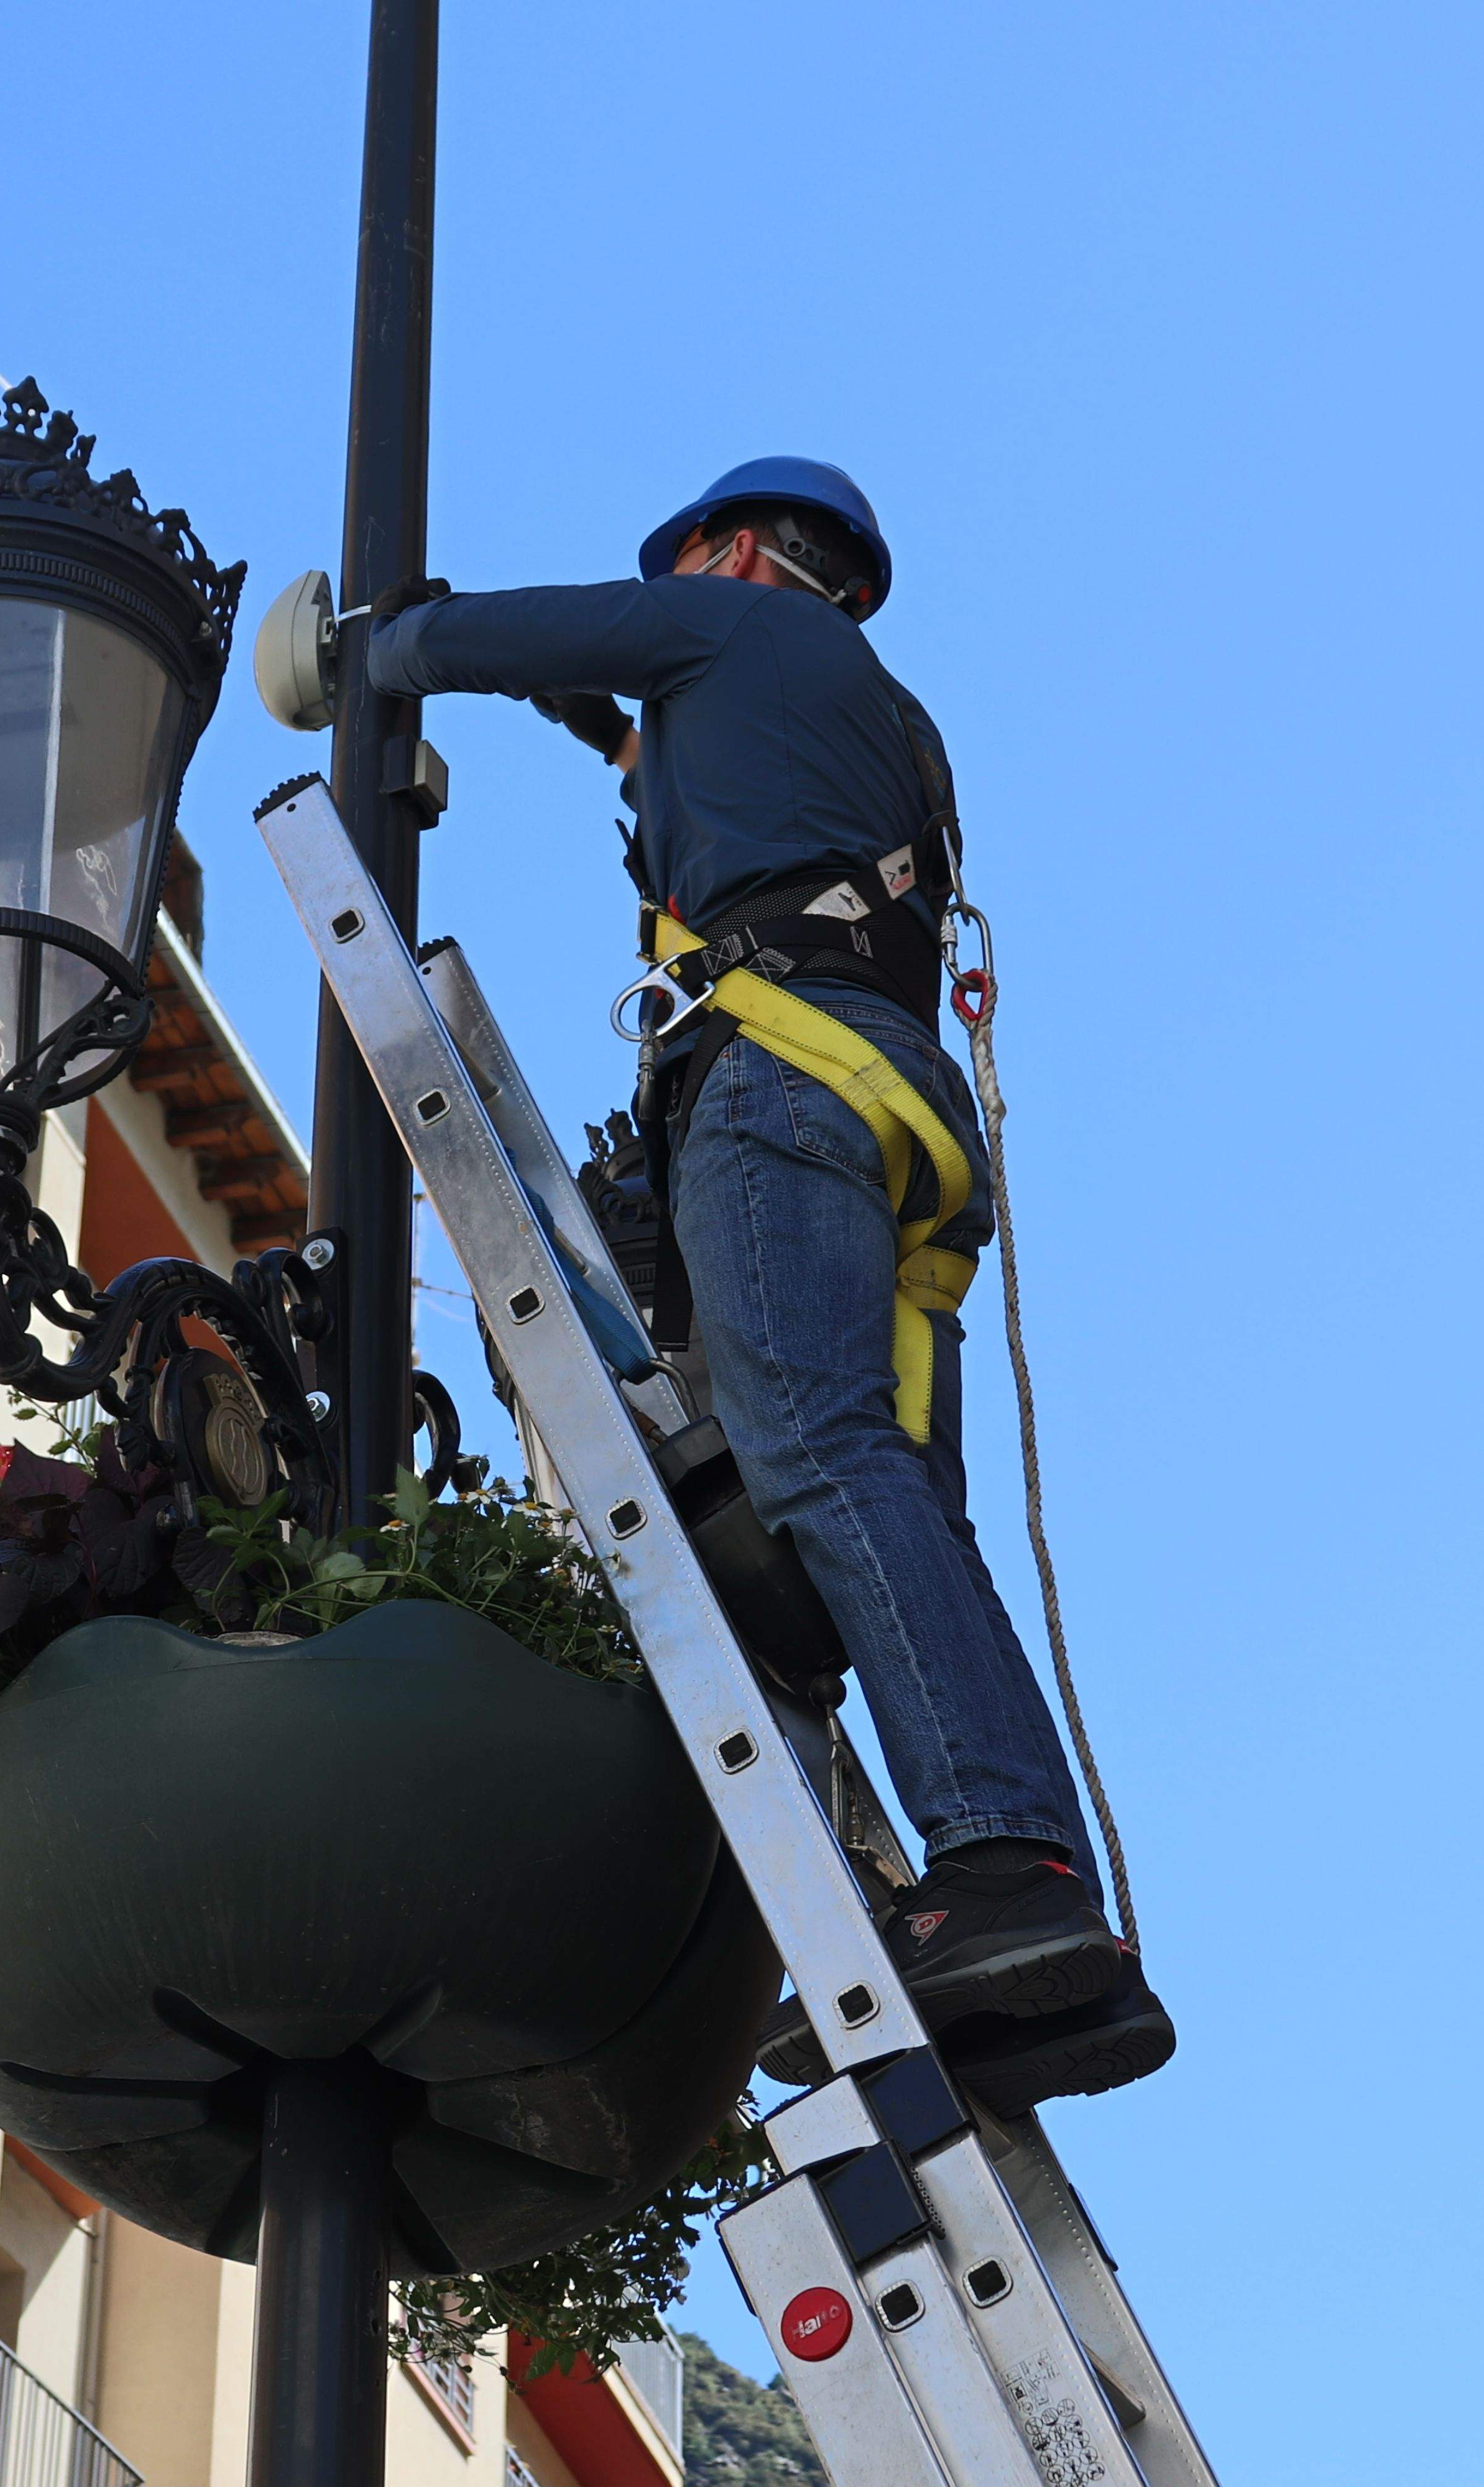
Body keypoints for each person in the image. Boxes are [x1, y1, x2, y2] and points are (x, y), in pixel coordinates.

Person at [351, 460, 1172, 2106]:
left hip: (780, 1075)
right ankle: (1030, 1910)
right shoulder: (880, 717)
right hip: (896, 1105)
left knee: (816, 1456)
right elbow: (683, 763)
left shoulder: (722, 628)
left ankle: (997, 1863)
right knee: (890, 1496)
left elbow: (512, 637)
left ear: (731, 554)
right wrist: (603, 728)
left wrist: (377, 645)